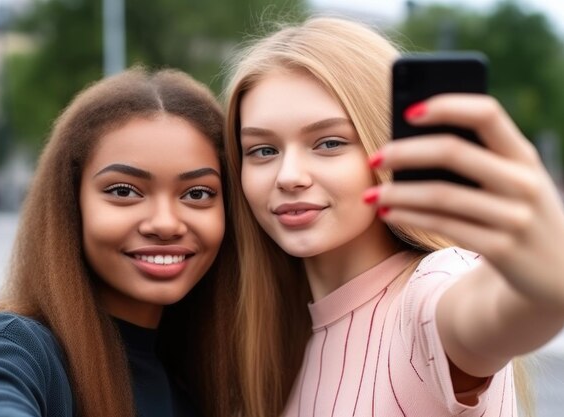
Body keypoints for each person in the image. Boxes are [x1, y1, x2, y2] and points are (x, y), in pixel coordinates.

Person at [223, 16, 564, 417]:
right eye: (263, 150)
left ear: (390, 148)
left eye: (329, 143)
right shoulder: (277, 334)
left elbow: (498, 313)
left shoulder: (428, 291)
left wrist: (547, 285)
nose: (289, 176)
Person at [0, 67, 240, 417]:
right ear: (72, 204)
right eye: (124, 191)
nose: (165, 224)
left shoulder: (202, 377)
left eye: (197, 193)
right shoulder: (15, 349)